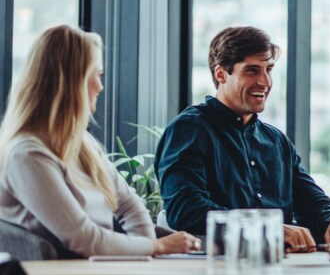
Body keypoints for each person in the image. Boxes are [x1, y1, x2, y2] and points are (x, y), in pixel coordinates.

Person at [0, 25, 199, 257]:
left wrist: (146, 253)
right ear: (74, 82)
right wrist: (156, 246)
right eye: (97, 75)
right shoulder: (27, 155)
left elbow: (129, 204)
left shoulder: (81, 143)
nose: (100, 86)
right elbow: (83, 239)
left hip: (95, 271)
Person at [155, 26, 330, 252]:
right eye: (252, 71)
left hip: (281, 268)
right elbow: (186, 210)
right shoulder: (189, 129)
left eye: (268, 69)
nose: (265, 82)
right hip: (215, 271)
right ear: (221, 74)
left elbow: (311, 201)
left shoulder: (276, 140)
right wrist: (267, 228)